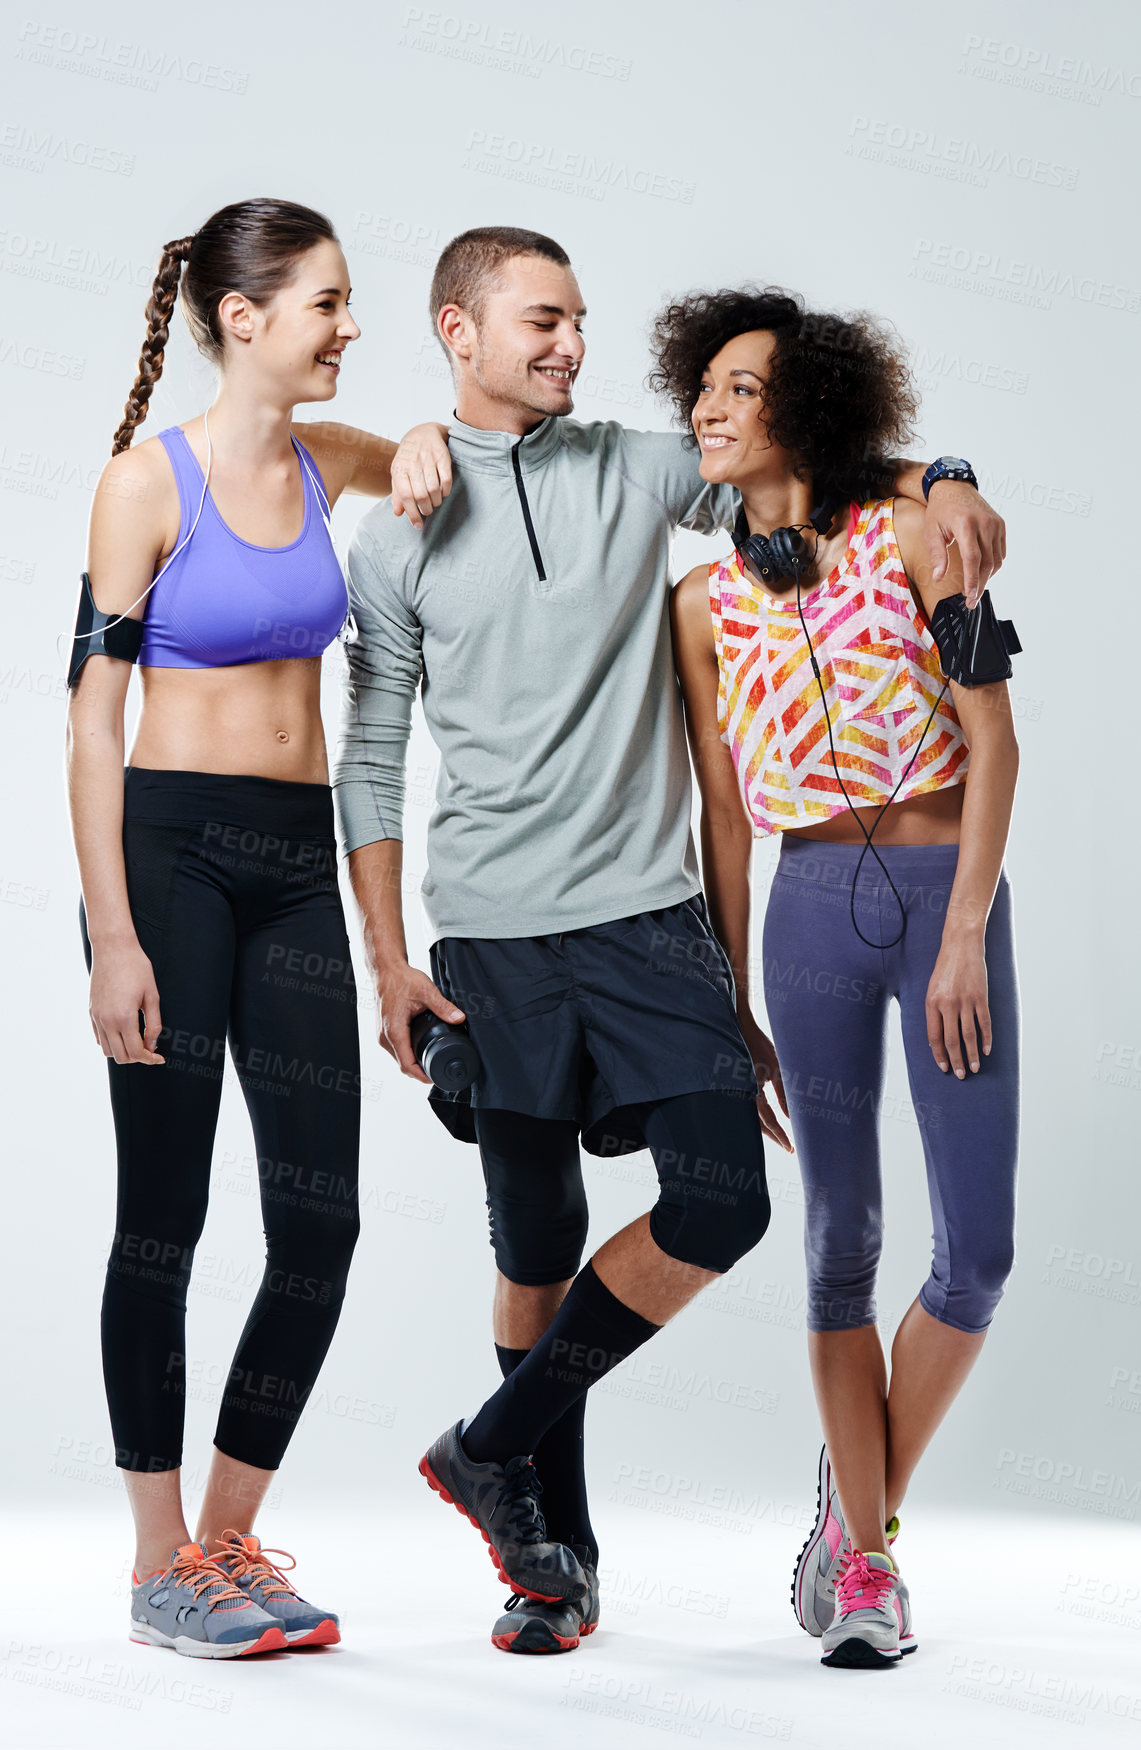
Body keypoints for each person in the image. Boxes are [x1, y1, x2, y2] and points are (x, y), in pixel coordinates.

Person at [336, 227, 1009, 1655]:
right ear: (458, 331)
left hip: (647, 922)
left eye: (581, 320)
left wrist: (946, 470)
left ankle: (488, 1445)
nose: (573, 343)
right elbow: (373, 755)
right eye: (542, 320)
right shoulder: (396, 526)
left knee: (721, 1200)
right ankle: (553, 1562)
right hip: (493, 936)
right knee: (533, 1243)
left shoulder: (635, 469)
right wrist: (384, 957)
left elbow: (815, 478)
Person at [65, 197, 448, 1659]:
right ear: (244, 317)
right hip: (169, 859)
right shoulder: (141, 487)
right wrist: (110, 932)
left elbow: (424, 457)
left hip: (294, 861)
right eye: (328, 303)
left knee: (320, 1222)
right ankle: (159, 1559)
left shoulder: (318, 457)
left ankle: (228, 1535)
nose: (351, 326)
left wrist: (414, 443)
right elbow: (94, 720)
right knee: (164, 1214)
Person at [661, 286, 1020, 1668]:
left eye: (738, 387)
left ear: (804, 401)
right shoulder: (701, 604)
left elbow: (993, 743)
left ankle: (853, 1512)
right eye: (698, 384)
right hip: (803, 910)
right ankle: (866, 1567)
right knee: (837, 1240)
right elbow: (726, 811)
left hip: (942, 896)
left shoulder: (919, 533)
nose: (705, 404)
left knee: (974, 1252)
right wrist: (725, 989)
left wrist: (962, 932)